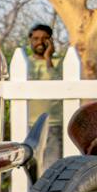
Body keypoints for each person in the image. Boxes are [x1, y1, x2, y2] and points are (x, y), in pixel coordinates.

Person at [25, 22, 61, 173]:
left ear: (51, 41)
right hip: (29, 123)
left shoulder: (59, 63)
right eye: (36, 38)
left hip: (54, 123)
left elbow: (58, 86)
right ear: (30, 41)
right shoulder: (26, 63)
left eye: (45, 38)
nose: (40, 42)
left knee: (52, 168)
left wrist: (48, 59)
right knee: (30, 168)